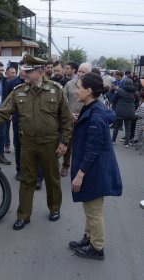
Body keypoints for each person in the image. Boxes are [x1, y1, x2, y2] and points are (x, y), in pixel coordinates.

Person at [0, 54, 73, 230]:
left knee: (52, 178)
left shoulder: (56, 90)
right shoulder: (19, 91)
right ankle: (23, 215)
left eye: (28, 71)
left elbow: (66, 119)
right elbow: (2, 112)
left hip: (50, 143)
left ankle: (54, 208)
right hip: (28, 144)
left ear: (39, 72)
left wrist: (64, 142)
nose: (24, 73)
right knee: (26, 180)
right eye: (24, 71)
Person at [69, 72, 122, 260]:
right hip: (93, 169)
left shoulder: (96, 115)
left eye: (78, 87)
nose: (76, 91)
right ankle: (89, 238)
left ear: (89, 90)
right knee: (89, 207)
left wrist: (80, 174)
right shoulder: (90, 108)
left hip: (93, 170)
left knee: (94, 211)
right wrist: (79, 120)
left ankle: (97, 248)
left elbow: (92, 149)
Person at [60, 63, 91, 177]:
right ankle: (66, 165)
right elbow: (62, 101)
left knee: (82, 146)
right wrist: (69, 114)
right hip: (70, 120)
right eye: (79, 71)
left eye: (84, 72)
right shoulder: (69, 84)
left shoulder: (91, 86)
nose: (80, 74)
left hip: (85, 121)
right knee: (67, 143)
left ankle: (80, 168)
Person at [8, 60, 25, 180]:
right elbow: (7, 101)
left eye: (27, 70)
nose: (24, 72)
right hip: (17, 119)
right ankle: (19, 171)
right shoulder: (12, 82)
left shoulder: (36, 82)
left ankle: (38, 176)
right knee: (18, 145)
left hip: (34, 121)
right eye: (22, 69)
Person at [111, 79, 139, 147]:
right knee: (128, 128)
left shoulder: (119, 91)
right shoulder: (135, 92)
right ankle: (126, 143)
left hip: (120, 111)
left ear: (124, 84)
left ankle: (113, 140)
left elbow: (113, 100)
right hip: (130, 112)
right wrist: (133, 108)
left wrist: (115, 107)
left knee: (116, 126)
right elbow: (137, 102)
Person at [4, 66, 17, 153]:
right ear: (6, 73)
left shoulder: (17, 82)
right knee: (6, 128)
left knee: (16, 128)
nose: (14, 74)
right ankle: (7, 145)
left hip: (17, 109)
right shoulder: (5, 83)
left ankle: (17, 146)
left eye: (15, 73)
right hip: (8, 109)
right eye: (12, 73)